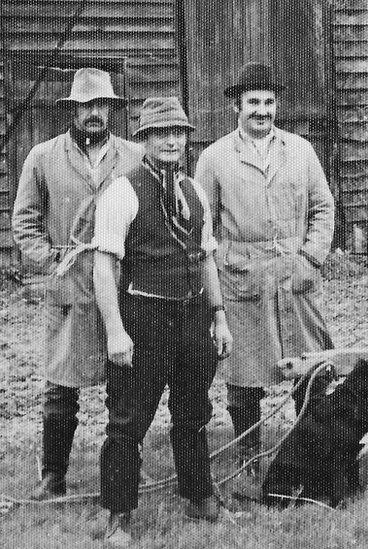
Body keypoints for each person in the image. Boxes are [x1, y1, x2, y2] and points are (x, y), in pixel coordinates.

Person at [91, 97, 233, 544]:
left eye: (179, 132)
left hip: (192, 317)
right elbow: (104, 265)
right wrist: (115, 330)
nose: (172, 140)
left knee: (193, 414)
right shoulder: (122, 190)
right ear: (145, 140)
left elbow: (207, 257)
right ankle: (118, 516)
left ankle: (201, 499)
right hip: (144, 316)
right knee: (128, 420)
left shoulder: (194, 190)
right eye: (161, 133)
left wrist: (219, 316)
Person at [195, 62, 336, 477]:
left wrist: (311, 257)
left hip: (295, 274)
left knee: (308, 363)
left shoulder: (301, 150)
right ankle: (249, 456)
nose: (263, 110)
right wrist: (218, 272)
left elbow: (323, 207)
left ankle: (309, 449)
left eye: (270, 102)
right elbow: (202, 225)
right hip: (242, 276)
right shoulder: (215, 157)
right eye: (253, 102)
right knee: (244, 372)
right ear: (236, 106)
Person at [11, 67, 143, 500]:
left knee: (123, 384)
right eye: (85, 106)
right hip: (69, 286)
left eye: (101, 105)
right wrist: (51, 263)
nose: (93, 113)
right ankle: (53, 475)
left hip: (121, 287)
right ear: (72, 110)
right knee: (60, 387)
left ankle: (125, 469)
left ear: (112, 110)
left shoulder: (136, 156)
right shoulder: (43, 156)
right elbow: (24, 223)